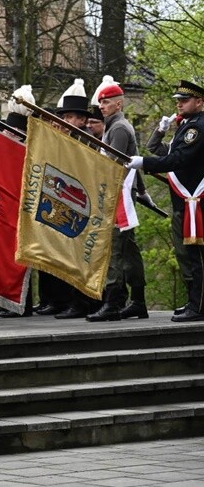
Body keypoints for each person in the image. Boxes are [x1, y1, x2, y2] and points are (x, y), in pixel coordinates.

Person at [129, 79, 204, 322]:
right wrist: (161, 130)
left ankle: (198, 306)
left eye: (185, 100)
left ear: (200, 102)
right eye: (178, 101)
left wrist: (144, 163)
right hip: (184, 202)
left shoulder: (198, 128)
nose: (179, 104)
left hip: (195, 202)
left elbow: (178, 159)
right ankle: (194, 302)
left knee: (196, 256)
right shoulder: (186, 125)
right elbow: (159, 150)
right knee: (187, 255)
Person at [87, 78, 147, 322]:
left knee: (114, 250)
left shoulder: (119, 128)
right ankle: (137, 301)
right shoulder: (114, 126)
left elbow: (114, 164)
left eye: (107, 102)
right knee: (129, 250)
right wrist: (142, 190)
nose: (102, 106)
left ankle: (113, 303)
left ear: (119, 104)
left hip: (118, 196)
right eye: (101, 102)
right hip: (122, 193)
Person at [50, 81, 98, 320]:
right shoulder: (68, 139)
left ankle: (83, 302)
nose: (66, 122)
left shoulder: (89, 141)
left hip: (84, 202)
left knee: (82, 256)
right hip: (68, 202)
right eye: (64, 117)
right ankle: (71, 300)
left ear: (81, 119)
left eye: (70, 117)